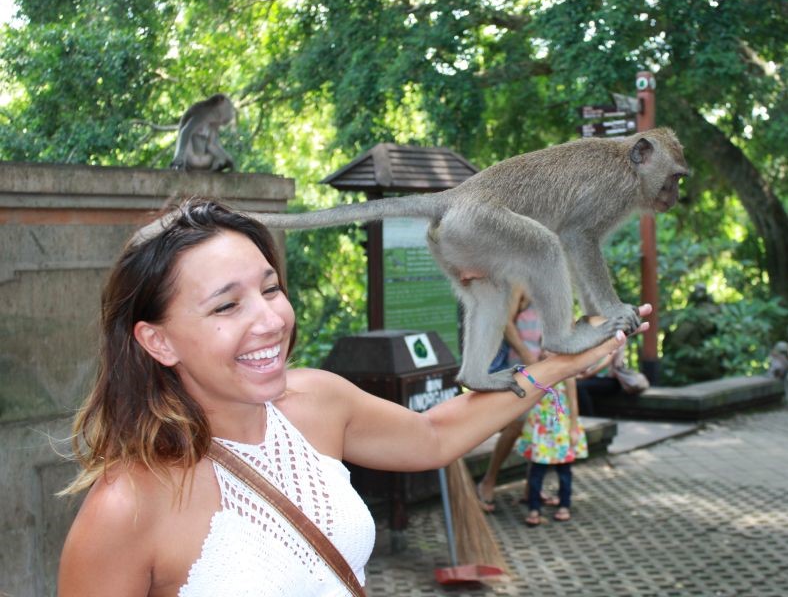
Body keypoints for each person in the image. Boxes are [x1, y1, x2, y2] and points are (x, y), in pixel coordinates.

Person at [57, 198, 648, 596]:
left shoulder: (316, 400)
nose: (269, 320)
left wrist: (559, 365)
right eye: (226, 305)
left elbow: (434, 436)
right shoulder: (124, 507)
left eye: (271, 289)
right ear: (157, 340)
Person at [477, 286, 543, 512]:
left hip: (546, 366)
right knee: (516, 424)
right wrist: (527, 355)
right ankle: (489, 480)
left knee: (542, 425)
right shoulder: (520, 280)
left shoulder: (555, 281)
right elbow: (506, 323)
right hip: (519, 367)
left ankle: (533, 486)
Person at [516, 375, 585, 526]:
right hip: (541, 430)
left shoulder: (567, 374)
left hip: (560, 430)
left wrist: (573, 428)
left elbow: (573, 401)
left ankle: (564, 504)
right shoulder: (539, 371)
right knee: (536, 470)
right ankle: (534, 508)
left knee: (564, 470)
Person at [575, 345, 650, 416]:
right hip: (595, 378)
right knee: (578, 385)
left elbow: (606, 363)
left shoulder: (616, 338)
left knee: (580, 386)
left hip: (612, 380)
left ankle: (589, 417)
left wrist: (584, 376)